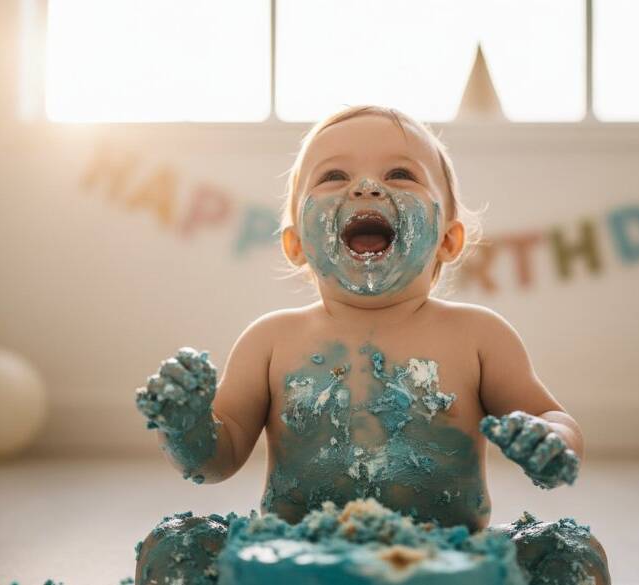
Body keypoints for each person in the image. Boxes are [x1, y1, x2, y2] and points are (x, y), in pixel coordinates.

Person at [134, 105, 610, 585]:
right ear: (295, 242)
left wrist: (550, 441)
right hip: (295, 562)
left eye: (400, 174)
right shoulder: (271, 340)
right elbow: (217, 458)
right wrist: (186, 427)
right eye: (334, 175)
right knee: (176, 544)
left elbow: (553, 416)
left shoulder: (478, 335)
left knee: (571, 553)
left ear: (449, 238)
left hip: (446, 564)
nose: (365, 187)